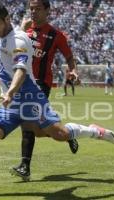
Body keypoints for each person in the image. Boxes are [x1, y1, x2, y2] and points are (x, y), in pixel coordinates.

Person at [0, 1, 114, 196]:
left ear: (6, 20)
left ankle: (94, 131)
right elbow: (15, 35)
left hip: (30, 97)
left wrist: (9, 92)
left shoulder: (18, 40)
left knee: (59, 134)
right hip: (12, 103)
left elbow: (20, 70)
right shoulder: (12, 34)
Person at [11, 0, 79, 181]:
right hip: (23, 82)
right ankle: (67, 133)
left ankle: (25, 166)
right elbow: (10, 50)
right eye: (31, 9)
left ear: (47, 10)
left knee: (27, 121)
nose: (33, 12)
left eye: (38, 9)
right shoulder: (24, 30)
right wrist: (20, 30)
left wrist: (72, 70)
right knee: (38, 127)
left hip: (41, 83)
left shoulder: (56, 35)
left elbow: (69, 57)